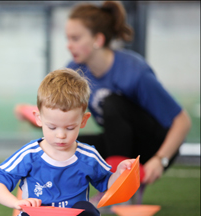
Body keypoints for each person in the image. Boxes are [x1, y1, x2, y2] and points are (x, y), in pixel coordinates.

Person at [15, 0, 191, 204]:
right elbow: (61, 113)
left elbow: (182, 122)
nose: (68, 44)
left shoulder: (134, 72)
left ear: (98, 39)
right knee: (69, 144)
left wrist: (160, 160)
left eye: (75, 38)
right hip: (120, 141)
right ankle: (63, 195)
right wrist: (35, 117)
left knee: (111, 103)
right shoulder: (76, 69)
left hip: (154, 146)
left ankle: (121, 188)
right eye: (67, 38)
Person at [0, 68, 135, 216]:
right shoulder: (30, 154)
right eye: (52, 126)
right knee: (28, 214)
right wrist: (16, 203)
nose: (60, 135)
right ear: (38, 118)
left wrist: (120, 173)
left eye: (70, 127)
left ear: (83, 121)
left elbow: (106, 183)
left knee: (89, 211)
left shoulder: (88, 156)